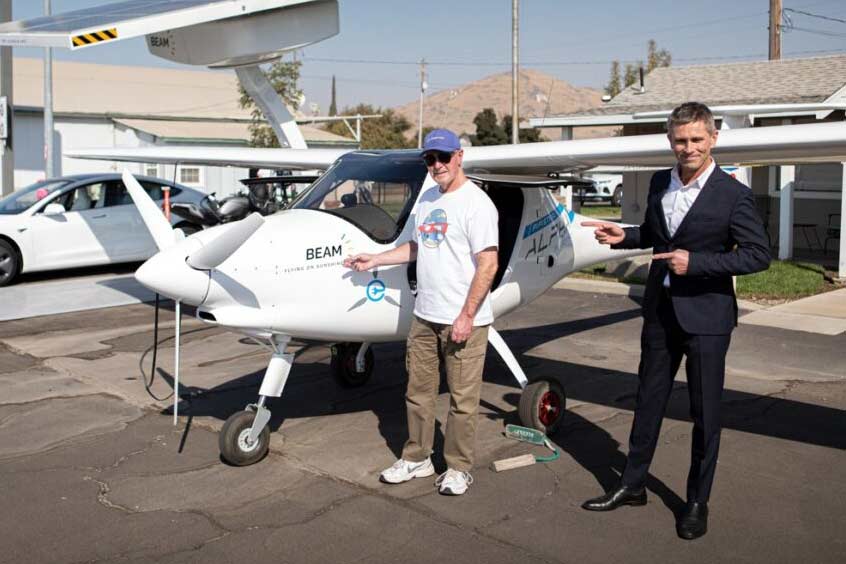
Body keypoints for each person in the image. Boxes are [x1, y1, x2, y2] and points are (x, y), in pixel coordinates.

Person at [580, 102, 770, 540]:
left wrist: (698, 263)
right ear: (670, 141)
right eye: (680, 140)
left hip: (707, 319)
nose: (688, 148)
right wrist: (624, 236)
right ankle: (632, 483)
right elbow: (655, 234)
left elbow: (759, 255)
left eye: (697, 140)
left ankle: (697, 501)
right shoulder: (659, 182)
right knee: (647, 402)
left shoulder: (733, 194)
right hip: (661, 314)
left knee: (705, 414)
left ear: (713, 139)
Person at [344, 128, 499, 496]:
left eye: (443, 157)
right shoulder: (428, 198)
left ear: (459, 156)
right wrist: (376, 259)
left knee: (462, 400)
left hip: (464, 318)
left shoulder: (477, 204)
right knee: (418, 392)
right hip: (426, 314)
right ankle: (418, 458)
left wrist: (466, 316)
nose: (437, 165)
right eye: (430, 159)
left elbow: (488, 264)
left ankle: (459, 468)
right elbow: (418, 246)